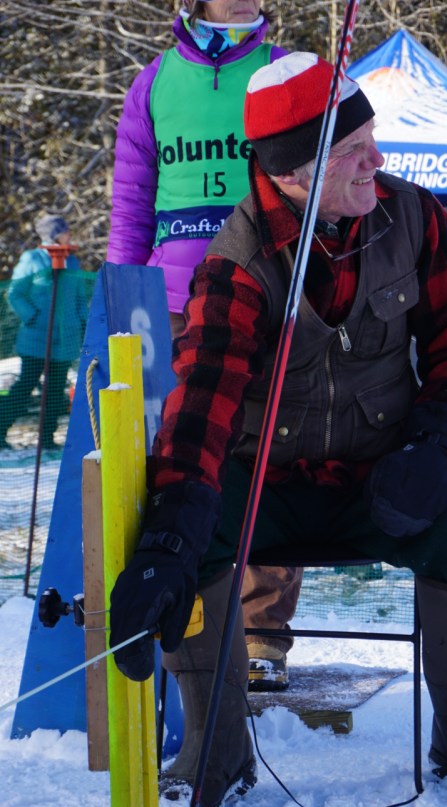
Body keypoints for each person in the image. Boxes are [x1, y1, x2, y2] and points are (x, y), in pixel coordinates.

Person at [108, 52, 447, 807]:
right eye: (355, 150)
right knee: (195, 537)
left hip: (381, 479)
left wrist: (439, 444)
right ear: (295, 171)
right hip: (266, 487)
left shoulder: (417, 219)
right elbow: (203, 396)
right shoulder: (238, 261)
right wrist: (174, 524)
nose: (376, 160)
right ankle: (214, 756)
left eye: (373, 141)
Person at [106, 0, 300, 688]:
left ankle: (264, 636)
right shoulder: (153, 83)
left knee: (268, 461)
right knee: (176, 470)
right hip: (169, 310)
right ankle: (176, 622)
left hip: (262, 297)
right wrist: (120, 303)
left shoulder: (279, 71)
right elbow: (132, 207)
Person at [1, 214, 86, 451]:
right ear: (53, 234)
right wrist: (33, 316)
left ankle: (47, 439)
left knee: (56, 390)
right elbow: (16, 293)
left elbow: (79, 298)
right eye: (64, 230)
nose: (69, 233)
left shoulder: (73, 262)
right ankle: (0, 431)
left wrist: (83, 321)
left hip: (65, 341)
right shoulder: (32, 259)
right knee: (24, 387)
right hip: (36, 339)